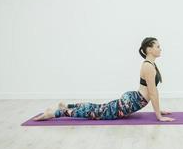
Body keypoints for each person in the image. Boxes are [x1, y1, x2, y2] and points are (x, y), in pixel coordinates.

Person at [33, 37, 175, 122]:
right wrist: (159, 116)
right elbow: (153, 93)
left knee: (99, 108)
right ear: (149, 49)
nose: (160, 49)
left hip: (132, 100)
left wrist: (159, 110)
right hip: (131, 102)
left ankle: (67, 106)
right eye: (157, 46)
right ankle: (54, 113)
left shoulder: (150, 65)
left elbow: (151, 92)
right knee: (97, 113)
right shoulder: (148, 67)